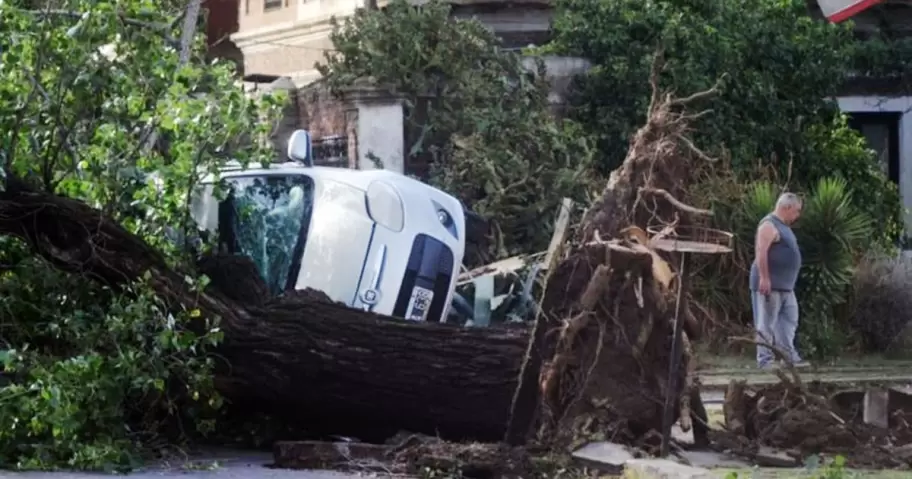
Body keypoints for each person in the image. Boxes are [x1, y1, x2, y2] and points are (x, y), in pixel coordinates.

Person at [749, 192, 809, 369]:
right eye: (796, 211)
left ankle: (788, 356)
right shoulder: (769, 224)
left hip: (785, 286)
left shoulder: (784, 227)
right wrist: (765, 278)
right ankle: (765, 360)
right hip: (771, 284)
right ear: (787, 207)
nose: (797, 216)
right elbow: (761, 252)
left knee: (789, 319)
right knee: (766, 323)